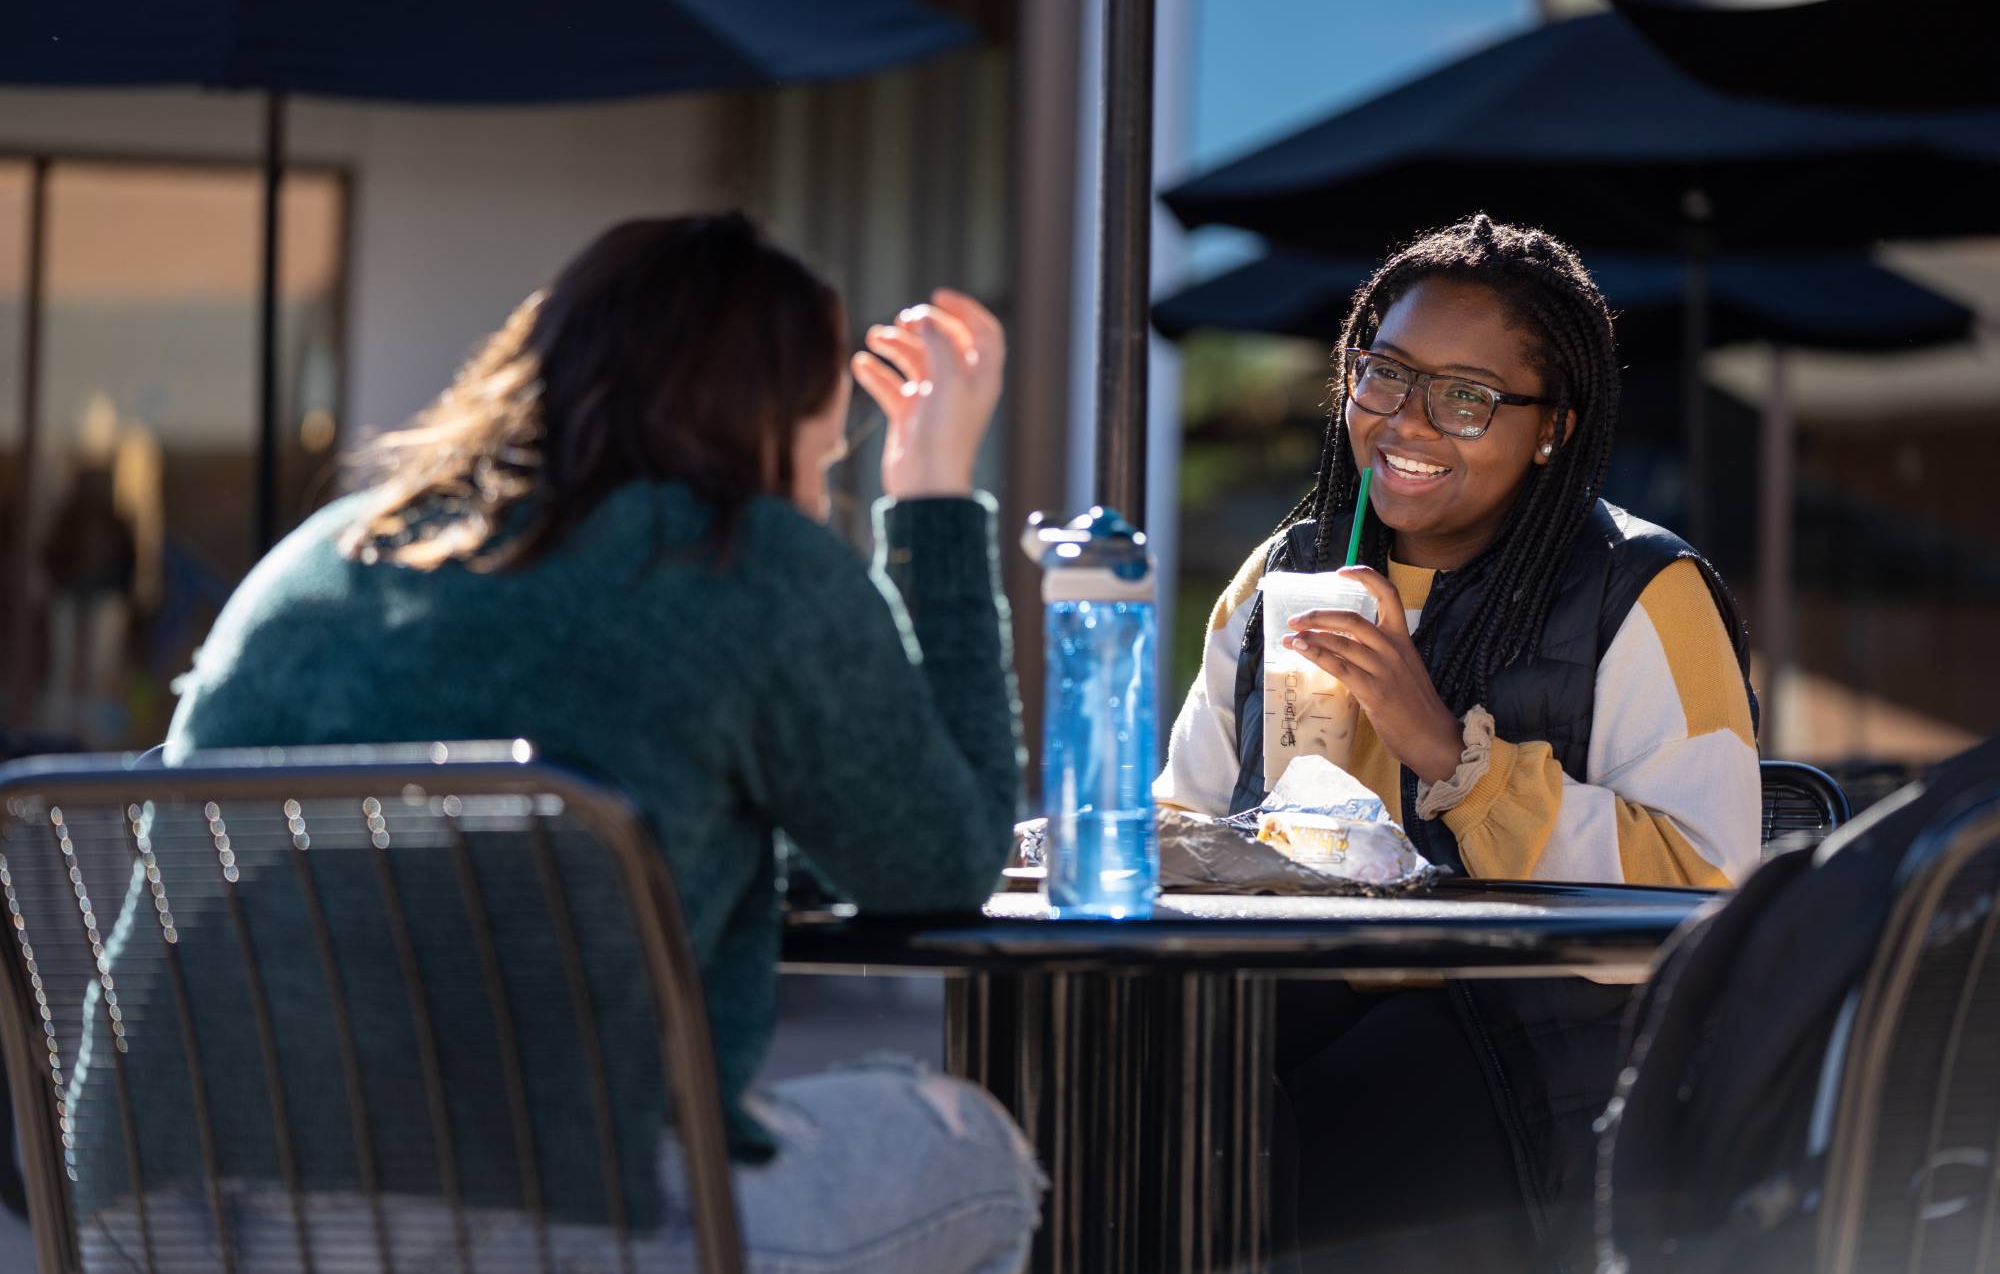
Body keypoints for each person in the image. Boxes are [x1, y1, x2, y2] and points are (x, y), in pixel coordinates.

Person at [83, 214, 1043, 1272]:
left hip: (153, 1206)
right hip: (511, 1217)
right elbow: (943, 858)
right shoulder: (743, 557)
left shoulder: (322, 551)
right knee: (977, 1155)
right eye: (820, 457)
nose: (817, 496)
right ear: (762, 425)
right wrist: (935, 497)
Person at [1154, 216, 1760, 1272]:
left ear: (1550, 427)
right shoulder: (1277, 578)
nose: (1407, 421)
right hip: (1290, 1022)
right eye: (1383, 374)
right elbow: (1181, 824)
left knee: (1339, 1099)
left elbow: (1703, 895)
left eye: (1465, 397)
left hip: (1545, 1080)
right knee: (1141, 1089)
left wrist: (1442, 749)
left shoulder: (1639, 592)